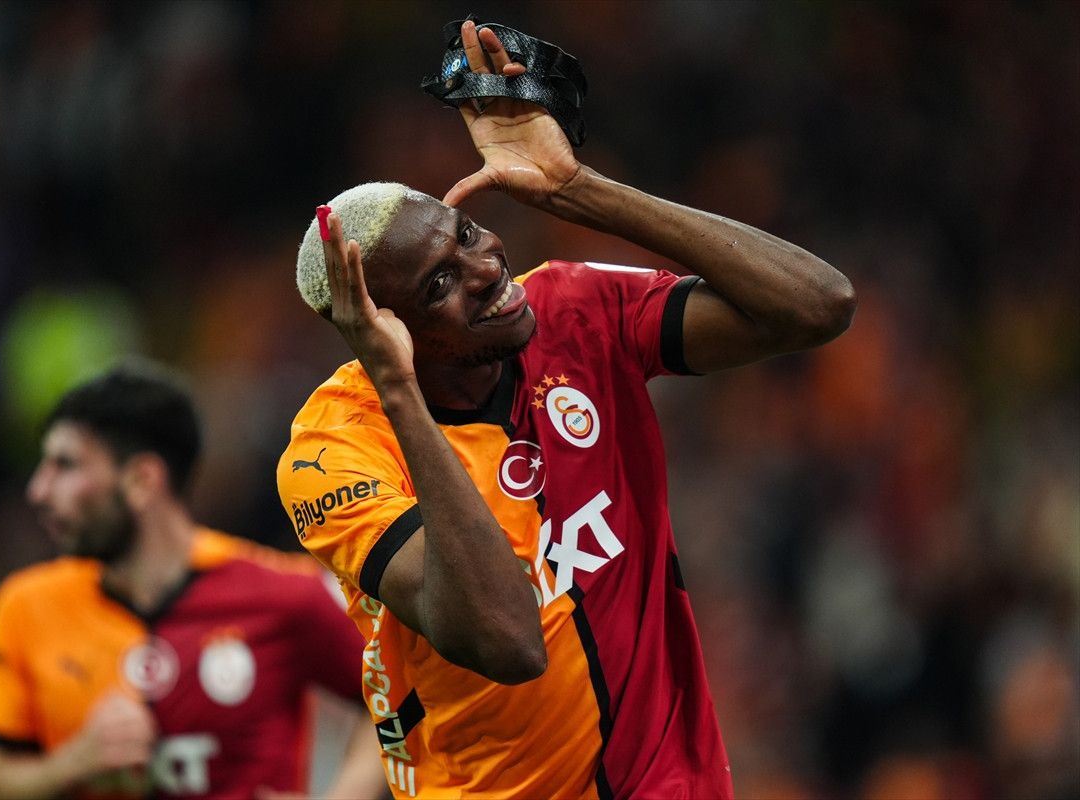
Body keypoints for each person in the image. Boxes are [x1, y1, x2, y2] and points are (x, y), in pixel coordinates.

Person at [278, 19, 856, 800]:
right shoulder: (332, 454)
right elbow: (509, 639)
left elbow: (818, 305)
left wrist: (576, 188)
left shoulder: (574, 308)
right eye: (439, 284)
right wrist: (399, 387)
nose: (486, 268)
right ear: (382, 329)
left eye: (468, 233)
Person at [0, 362, 387, 800]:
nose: (38, 490)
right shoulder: (24, 605)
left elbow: (396, 689)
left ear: (141, 480)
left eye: (65, 464)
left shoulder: (285, 595)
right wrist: (73, 762)